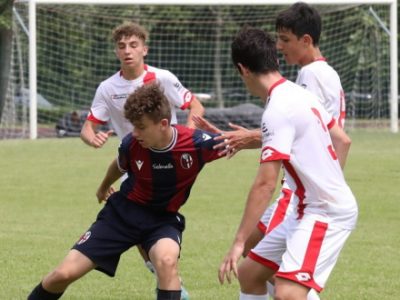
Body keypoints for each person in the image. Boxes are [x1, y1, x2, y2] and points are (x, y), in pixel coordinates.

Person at [194, 4, 346, 298]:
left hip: (310, 201)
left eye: (285, 38)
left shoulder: (307, 79)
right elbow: (337, 138)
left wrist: (323, 189)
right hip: (311, 195)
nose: (280, 45)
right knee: (252, 270)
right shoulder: (305, 84)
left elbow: (266, 180)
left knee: (284, 287)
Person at [28, 82, 224, 300]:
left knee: (166, 262)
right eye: (133, 126)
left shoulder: (196, 144)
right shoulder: (131, 144)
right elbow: (119, 165)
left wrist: (254, 136)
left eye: (141, 126)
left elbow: (245, 141)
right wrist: (103, 187)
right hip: (121, 216)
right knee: (62, 274)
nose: (135, 132)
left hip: (162, 220)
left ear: (163, 124)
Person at [80, 21, 204, 298]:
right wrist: (93, 139)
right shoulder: (108, 88)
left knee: (149, 223)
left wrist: (188, 138)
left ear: (144, 49)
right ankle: (168, 280)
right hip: (133, 165)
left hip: (168, 165)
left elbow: (194, 105)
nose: (128, 51)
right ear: (116, 52)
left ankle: (167, 275)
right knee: (139, 228)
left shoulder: (162, 78)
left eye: (133, 45)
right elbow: (88, 127)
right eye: (122, 46)